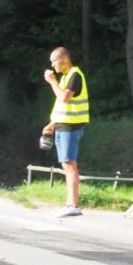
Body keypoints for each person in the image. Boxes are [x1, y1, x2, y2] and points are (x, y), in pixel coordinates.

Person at [41, 46, 89, 218]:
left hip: (71, 127)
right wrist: (52, 124)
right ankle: (70, 204)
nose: (53, 65)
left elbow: (63, 97)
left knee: (70, 165)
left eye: (54, 61)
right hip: (62, 125)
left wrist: (52, 81)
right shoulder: (65, 78)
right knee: (66, 164)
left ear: (64, 59)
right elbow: (62, 105)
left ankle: (74, 205)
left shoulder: (75, 75)